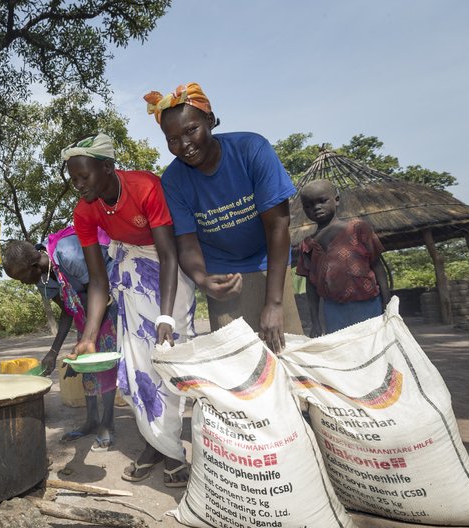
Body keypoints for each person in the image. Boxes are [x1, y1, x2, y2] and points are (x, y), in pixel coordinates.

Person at [64, 133, 197, 487]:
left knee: (168, 356)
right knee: (140, 361)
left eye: (84, 176)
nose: (78, 185)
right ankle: (160, 447)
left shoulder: (144, 187)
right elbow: (97, 281)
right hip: (132, 271)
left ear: (107, 167)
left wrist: (166, 316)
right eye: (73, 179)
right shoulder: (84, 211)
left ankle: (166, 443)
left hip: (168, 271)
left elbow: (168, 255)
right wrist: (90, 337)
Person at [144, 83, 302, 352]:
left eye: (191, 130)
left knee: (287, 352)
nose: (184, 145)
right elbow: (187, 241)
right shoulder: (173, 180)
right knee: (237, 362)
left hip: (268, 262)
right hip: (222, 272)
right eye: (172, 139)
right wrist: (203, 279)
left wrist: (274, 304)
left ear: (209, 119)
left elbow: (278, 225)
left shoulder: (251, 149)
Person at [2, 226, 118, 450]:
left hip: (110, 297)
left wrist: (90, 334)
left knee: (103, 362)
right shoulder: (42, 279)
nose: (22, 283)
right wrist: (53, 352)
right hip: (87, 310)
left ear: (34, 266)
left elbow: (98, 288)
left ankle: (108, 423)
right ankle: (92, 419)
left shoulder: (68, 254)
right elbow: (67, 310)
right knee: (86, 364)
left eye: (21, 277)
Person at [296, 179, 391, 336]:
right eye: (308, 205)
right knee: (344, 353)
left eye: (322, 201)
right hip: (333, 309)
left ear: (337, 200)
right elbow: (311, 286)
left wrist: (386, 301)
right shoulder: (307, 245)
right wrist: (315, 322)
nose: (316, 207)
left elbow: (377, 265)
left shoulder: (358, 229)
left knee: (373, 348)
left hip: (368, 304)